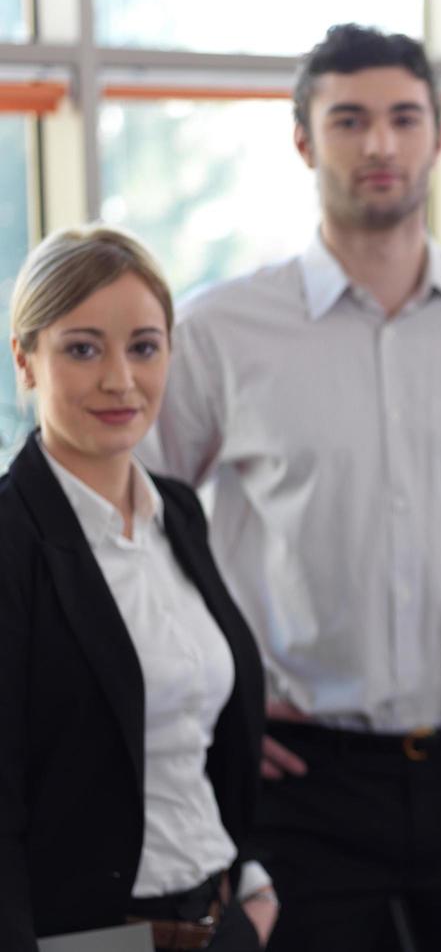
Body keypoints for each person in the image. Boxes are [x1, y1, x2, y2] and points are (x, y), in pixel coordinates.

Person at [141, 24, 441, 950]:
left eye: (401, 118)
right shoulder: (223, 328)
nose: (378, 144)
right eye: (348, 120)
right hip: (302, 778)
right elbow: (144, 524)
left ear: (437, 134)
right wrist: (213, 702)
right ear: (304, 140)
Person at [0, 226, 271, 951]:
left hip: (217, 918)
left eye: (144, 347)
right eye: (83, 348)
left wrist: (245, 881)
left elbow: (197, 735)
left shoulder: (177, 512)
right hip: (88, 936)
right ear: (26, 361)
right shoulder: (10, 540)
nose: (120, 379)